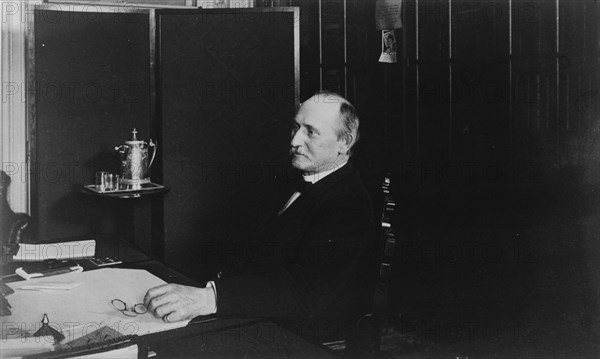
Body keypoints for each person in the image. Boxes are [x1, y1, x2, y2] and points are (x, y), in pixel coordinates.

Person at [144, 91, 375, 342]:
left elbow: (305, 294)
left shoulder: (349, 203)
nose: (295, 140)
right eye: (296, 127)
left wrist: (209, 297)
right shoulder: (292, 179)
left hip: (301, 336)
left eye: (311, 131)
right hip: (257, 314)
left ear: (345, 142)